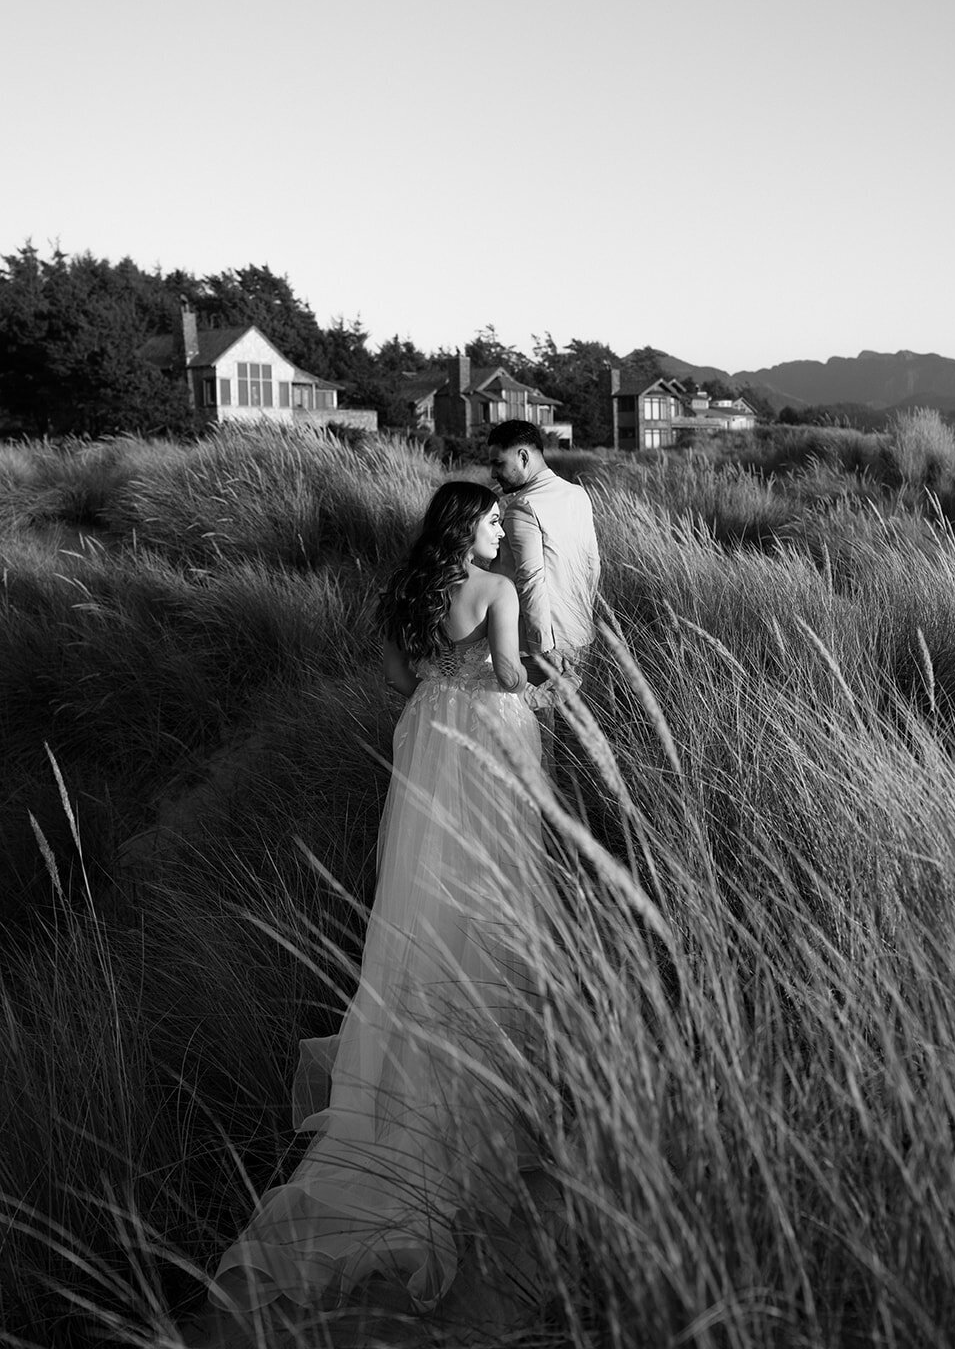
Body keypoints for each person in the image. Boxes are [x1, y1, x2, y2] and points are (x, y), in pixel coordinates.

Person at [210, 482, 546, 1321]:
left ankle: (410, 1040)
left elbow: (401, 675)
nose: (502, 527)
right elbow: (508, 676)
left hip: (426, 736)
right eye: (494, 518)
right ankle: (480, 1041)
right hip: (486, 740)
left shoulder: (405, 592)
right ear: (466, 525)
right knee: (488, 880)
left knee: (420, 885)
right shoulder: (499, 590)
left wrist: (442, 686)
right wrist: (542, 685)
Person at [487, 420, 601, 688]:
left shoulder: (523, 506)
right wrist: (582, 619)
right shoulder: (578, 494)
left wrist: (544, 647)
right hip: (580, 632)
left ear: (523, 457)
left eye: (498, 463)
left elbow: (530, 578)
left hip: (538, 643)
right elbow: (593, 565)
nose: (493, 473)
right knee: (574, 722)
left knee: (539, 725)